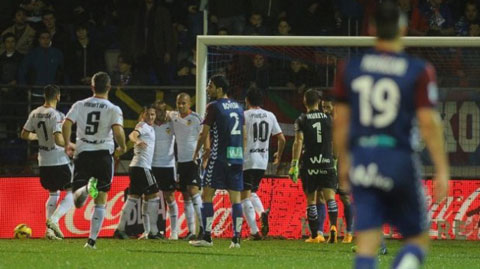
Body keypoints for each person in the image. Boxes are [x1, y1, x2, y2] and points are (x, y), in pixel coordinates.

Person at [332, 2, 449, 268]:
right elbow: (429, 123)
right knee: (417, 240)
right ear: (403, 28)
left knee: (366, 246)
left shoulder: (350, 68)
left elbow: (340, 122)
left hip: (363, 157)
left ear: (371, 29)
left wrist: (344, 160)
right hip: (398, 158)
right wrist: (442, 168)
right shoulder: (418, 70)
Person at [62, 71, 127, 249]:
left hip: (83, 154)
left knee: (77, 201)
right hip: (103, 154)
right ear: (109, 87)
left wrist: (68, 143)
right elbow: (118, 131)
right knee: (102, 198)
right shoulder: (114, 108)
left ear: (92, 87)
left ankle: (84, 188)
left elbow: (66, 123)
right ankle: (91, 241)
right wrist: (122, 146)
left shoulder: (80, 105)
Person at [190, 74, 245, 248]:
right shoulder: (239, 107)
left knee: (207, 195)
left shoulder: (214, 106)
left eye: (210, 86)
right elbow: (243, 134)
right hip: (236, 157)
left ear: (220, 89)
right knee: (236, 199)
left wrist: (196, 152)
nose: (208, 89)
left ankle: (207, 237)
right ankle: (236, 239)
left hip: (219, 157)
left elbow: (204, 133)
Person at [20, 84, 73, 240]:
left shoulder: (35, 113)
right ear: (58, 96)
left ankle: (49, 231)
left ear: (45, 96)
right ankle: (54, 220)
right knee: (73, 191)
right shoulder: (56, 115)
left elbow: (24, 134)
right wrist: (69, 145)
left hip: (43, 161)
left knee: (53, 192)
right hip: (58, 159)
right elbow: (58, 138)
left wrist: (38, 137)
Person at [289, 89, 338, 244]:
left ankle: (315, 235)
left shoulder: (302, 119)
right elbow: (334, 142)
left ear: (305, 101)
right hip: (327, 162)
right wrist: (334, 160)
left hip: (310, 163)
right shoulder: (329, 119)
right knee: (330, 197)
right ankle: (334, 227)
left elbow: (298, 142)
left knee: (311, 200)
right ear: (319, 102)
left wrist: (294, 164)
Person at [242, 87, 285, 239]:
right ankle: (262, 213)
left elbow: (244, 138)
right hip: (262, 161)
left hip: (247, 160)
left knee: (243, 197)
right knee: (252, 192)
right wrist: (278, 156)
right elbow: (282, 138)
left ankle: (254, 232)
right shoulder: (270, 115)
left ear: (247, 100)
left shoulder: (244, 115)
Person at [115, 105, 161, 239]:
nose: (151, 117)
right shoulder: (142, 125)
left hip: (136, 166)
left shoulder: (151, 128)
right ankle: (153, 231)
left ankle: (120, 229)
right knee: (154, 195)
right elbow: (132, 135)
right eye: (148, 114)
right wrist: (138, 140)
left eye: (153, 114)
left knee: (133, 198)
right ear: (143, 115)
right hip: (142, 167)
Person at [169, 93, 204, 240]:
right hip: (181, 160)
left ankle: (203, 228)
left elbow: (204, 135)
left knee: (194, 190)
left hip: (194, 159)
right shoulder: (174, 117)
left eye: (184, 103)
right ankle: (191, 231)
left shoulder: (196, 118)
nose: (181, 106)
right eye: (179, 103)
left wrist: (205, 154)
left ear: (190, 104)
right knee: (185, 195)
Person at [321, 98, 353, 243]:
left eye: (327, 107)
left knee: (345, 197)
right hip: (329, 162)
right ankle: (329, 230)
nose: (325, 110)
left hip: (341, 163)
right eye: (323, 107)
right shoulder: (325, 122)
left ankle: (348, 232)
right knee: (327, 197)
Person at [150, 100, 178, 240]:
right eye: (157, 110)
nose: (160, 113)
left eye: (163, 110)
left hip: (168, 165)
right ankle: (151, 230)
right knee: (151, 198)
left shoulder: (171, 123)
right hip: (152, 165)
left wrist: (171, 114)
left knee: (170, 197)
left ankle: (174, 232)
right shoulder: (150, 125)